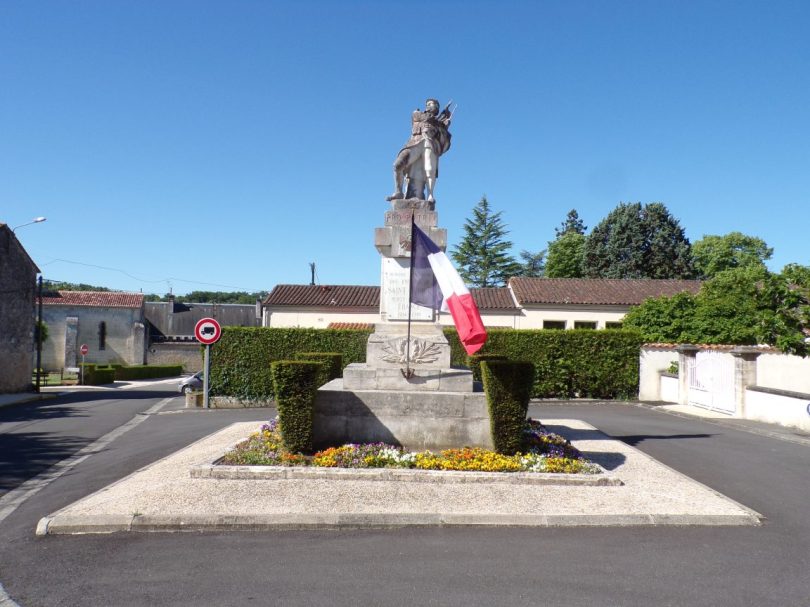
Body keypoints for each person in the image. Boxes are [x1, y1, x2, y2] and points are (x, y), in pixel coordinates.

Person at [388, 98, 453, 203]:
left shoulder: (438, 123)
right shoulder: (417, 114)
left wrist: (445, 127)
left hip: (430, 143)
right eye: (430, 104)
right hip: (415, 143)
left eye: (435, 105)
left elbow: (444, 139)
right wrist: (442, 121)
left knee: (430, 170)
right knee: (397, 165)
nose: (432, 106)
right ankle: (398, 192)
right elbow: (427, 119)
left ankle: (430, 195)